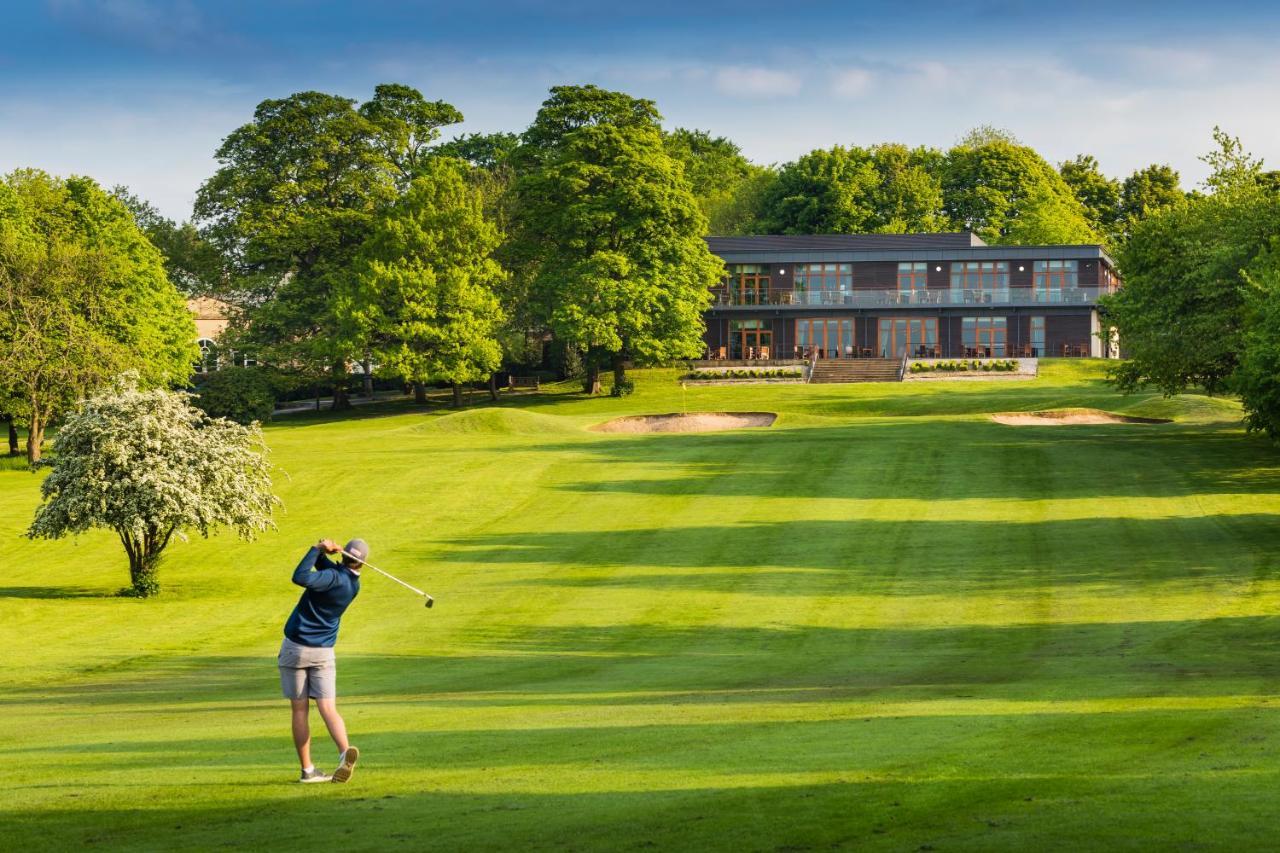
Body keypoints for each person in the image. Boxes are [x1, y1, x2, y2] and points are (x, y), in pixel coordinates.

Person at [278, 537, 366, 783]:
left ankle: (307, 770)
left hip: (296, 649)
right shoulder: (351, 584)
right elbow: (330, 571)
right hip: (324, 653)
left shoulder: (332, 578)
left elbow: (300, 576)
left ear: (345, 556)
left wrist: (315, 549)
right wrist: (325, 554)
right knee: (328, 707)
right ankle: (343, 752)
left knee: (300, 709)